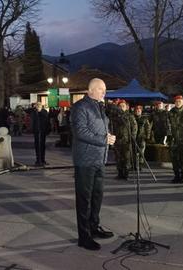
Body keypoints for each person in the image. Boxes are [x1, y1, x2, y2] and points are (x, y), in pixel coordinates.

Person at [70, 78, 116, 251]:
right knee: (84, 199)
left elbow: (100, 129)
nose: (104, 93)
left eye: (104, 90)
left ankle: (94, 227)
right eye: (101, 89)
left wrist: (108, 136)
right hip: (85, 160)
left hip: (99, 159)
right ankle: (84, 236)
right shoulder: (80, 107)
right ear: (91, 90)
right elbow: (80, 132)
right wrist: (104, 140)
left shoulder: (99, 106)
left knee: (97, 196)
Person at [113, 99, 137, 179]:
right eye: (120, 106)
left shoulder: (130, 116)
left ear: (126, 107)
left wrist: (132, 137)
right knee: (118, 158)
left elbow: (134, 128)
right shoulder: (115, 117)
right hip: (117, 141)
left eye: (123, 106)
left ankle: (126, 174)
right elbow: (111, 128)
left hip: (127, 140)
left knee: (127, 158)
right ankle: (120, 173)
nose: (121, 107)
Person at [167, 95, 183, 183]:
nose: (178, 103)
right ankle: (176, 176)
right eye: (176, 101)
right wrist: (169, 135)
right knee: (174, 159)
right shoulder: (171, 113)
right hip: (174, 140)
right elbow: (167, 125)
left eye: (180, 101)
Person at [133, 105, 151, 170]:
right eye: (136, 110)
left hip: (142, 138)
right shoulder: (132, 118)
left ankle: (139, 165)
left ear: (141, 111)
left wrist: (147, 137)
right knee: (133, 152)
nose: (138, 111)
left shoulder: (144, 119)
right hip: (134, 138)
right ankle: (134, 165)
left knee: (141, 152)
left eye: (139, 110)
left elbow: (148, 128)